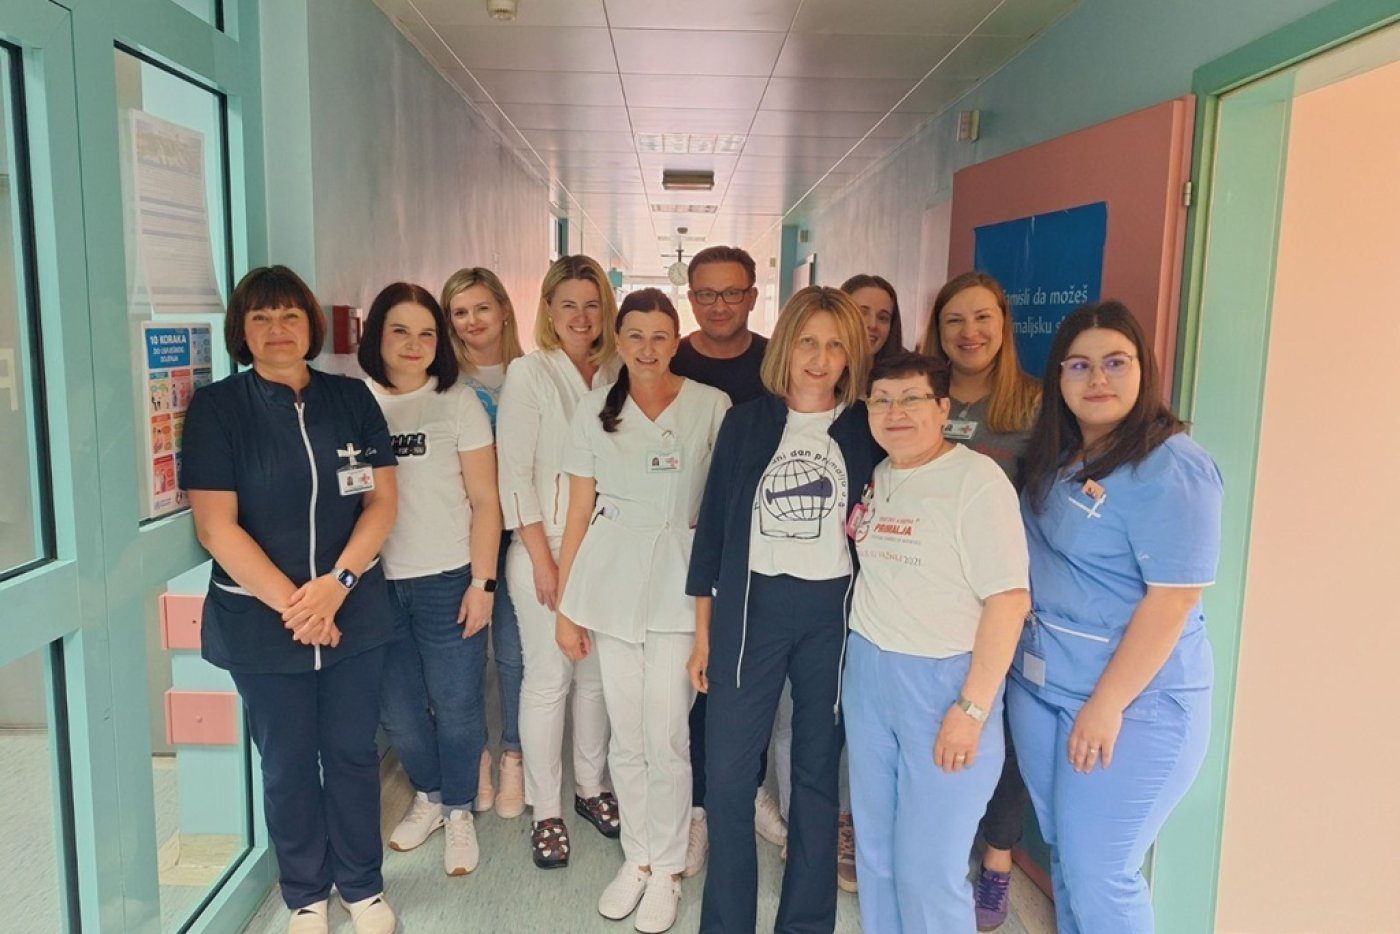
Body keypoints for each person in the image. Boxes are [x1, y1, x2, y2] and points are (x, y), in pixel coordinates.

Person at [182, 266, 399, 934]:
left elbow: (381, 503)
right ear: (242, 332)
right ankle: (305, 894)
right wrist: (298, 607)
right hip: (261, 623)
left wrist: (336, 588)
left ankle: (362, 887)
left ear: (311, 325)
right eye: (261, 318)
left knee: (353, 753)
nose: (277, 330)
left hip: (352, 612)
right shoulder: (218, 409)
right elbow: (216, 526)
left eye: (289, 316)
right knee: (286, 764)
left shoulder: (351, 399)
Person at [1011, 301, 1223, 934]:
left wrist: (1105, 705)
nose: (1097, 378)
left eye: (1115, 362)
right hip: (1045, 686)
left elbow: (1174, 600)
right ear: (1059, 376)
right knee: (1068, 859)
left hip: (1132, 706)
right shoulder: (1062, 453)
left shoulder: (1172, 467)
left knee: (1102, 873)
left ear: (1142, 369)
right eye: (1079, 365)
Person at [687, 286, 876, 934]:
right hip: (752, 611)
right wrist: (703, 634)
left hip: (831, 616)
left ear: (851, 356)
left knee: (816, 776)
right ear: (786, 347)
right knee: (728, 778)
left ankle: (805, 923)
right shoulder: (747, 422)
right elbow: (713, 532)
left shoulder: (866, 427)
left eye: (835, 346)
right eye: (808, 343)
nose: (820, 359)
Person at [555, 289, 731, 933]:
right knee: (625, 737)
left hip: (682, 583)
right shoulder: (595, 407)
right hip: (611, 579)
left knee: (667, 734)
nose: (648, 349)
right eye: (635, 336)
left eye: (660, 336)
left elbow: (722, 508)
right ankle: (638, 858)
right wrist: (567, 608)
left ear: (676, 340)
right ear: (618, 340)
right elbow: (579, 510)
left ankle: (669, 867)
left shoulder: (711, 405)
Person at [844, 351, 1030, 932]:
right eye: (882, 400)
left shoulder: (977, 482)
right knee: (876, 854)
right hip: (869, 676)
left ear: (943, 408)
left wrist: (972, 710)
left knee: (929, 869)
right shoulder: (881, 475)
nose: (895, 412)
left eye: (912, 399)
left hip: (944, 686)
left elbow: (1009, 601)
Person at [360, 282, 502, 876]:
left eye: (426, 333)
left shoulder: (457, 402)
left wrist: (483, 584)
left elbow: (486, 500)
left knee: (458, 703)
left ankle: (460, 808)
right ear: (376, 336)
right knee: (397, 710)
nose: (414, 344)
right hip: (374, 584)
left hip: (449, 579)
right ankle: (431, 795)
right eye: (400, 331)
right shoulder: (354, 401)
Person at [923, 271, 1042, 928]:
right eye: (954, 321)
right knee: (936, 718)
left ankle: (996, 863)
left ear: (1003, 325)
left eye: (982, 319)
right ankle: (938, 842)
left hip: (1000, 596)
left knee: (1003, 725)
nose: (969, 333)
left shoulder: (1034, 404)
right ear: (937, 331)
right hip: (927, 593)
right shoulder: (922, 393)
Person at [497, 254, 620, 869]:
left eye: (592, 304)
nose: (581, 316)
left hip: (608, 550)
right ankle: (546, 810)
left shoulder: (619, 369)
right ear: (547, 308)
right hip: (542, 549)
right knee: (549, 680)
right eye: (568, 304)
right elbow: (514, 474)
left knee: (595, 678)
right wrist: (544, 562)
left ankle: (590, 788)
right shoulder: (530, 373)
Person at [672, 245, 784, 878]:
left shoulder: (775, 364)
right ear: (691, 298)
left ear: (752, 296)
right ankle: (698, 808)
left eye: (732, 292)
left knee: (748, 681)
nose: (719, 305)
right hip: (685, 547)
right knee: (696, 684)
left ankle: (749, 790)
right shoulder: (670, 358)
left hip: (763, 554)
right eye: (706, 294)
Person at [442, 266, 527, 820]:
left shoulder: (530, 373)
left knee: (515, 652)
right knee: (468, 652)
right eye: (459, 312)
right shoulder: (444, 382)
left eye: (481, 308)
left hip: (520, 528)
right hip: (465, 532)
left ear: (503, 310)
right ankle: (475, 755)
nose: (472, 321)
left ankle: (513, 752)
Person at [841, 273, 904, 362]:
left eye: (882, 318)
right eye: (862, 313)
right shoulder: (822, 367)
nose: (873, 325)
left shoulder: (907, 369)